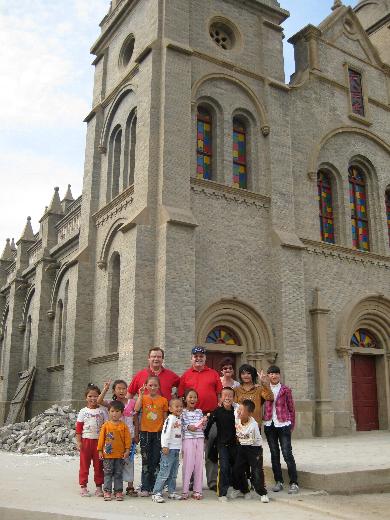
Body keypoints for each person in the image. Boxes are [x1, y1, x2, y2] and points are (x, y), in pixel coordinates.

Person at [178, 346, 223, 491]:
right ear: (191, 358)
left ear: (205, 358)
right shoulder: (185, 375)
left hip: (210, 416)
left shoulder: (213, 374)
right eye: (195, 356)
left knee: (211, 448)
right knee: (192, 450)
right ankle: (191, 481)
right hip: (190, 417)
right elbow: (180, 397)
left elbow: (220, 394)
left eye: (201, 356)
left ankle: (211, 481)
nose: (198, 358)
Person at [97, 379, 139, 496]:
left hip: (128, 437)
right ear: (114, 391)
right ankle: (111, 489)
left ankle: (130, 487)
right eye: (118, 389)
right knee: (114, 465)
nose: (121, 391)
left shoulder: (131, 402)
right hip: (114, 440)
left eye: (124, 388)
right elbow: (99, 401)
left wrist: (136, 434)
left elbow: (135, 419)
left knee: (129, 462)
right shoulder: (112, 404)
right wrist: (105, 389)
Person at [263, 365, 299, 494]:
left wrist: (292, 424)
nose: (274, 376)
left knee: (287, 453)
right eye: (271, 374)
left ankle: (294, 482)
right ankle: (279, 481)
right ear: (268, 376)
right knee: (274, 454)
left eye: (276, 373)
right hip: (269, 424)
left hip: (283, 424)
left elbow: (291, 408)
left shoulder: (285, 390)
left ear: (279, 375)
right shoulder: (264, 389)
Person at [135, 375, 169, 496]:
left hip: (159, 434)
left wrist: (166, 435)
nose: (153, 387)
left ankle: (155, 486)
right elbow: (136, 408)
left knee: (156, 460)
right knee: (146, 460)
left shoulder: (163, 400)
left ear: (159, 386)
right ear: (146, 386)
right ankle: (145, 487)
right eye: (150, 385)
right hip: (145, 433)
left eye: (155, 385)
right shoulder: (143, 398)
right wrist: (140, 395)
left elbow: (165, 419)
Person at [231, 400, 269, 503]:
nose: (239, 412)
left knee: (256, 472)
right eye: (239, 409)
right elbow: (234, 405)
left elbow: (250, 441)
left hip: (254, 449)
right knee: (236, 470)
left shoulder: (253, 426)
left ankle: (263, 493)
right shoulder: (237, 415)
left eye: (242, 410)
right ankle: (242, 489)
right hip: (242, 447)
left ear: (249, 413)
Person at [204, 387, 238, 502]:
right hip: (222, 444)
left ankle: (234, 487)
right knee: (223, 466)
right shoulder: (217, 411)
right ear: (220, 398)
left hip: (234, 443)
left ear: (234, 398)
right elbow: (209, 425)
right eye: (225, 395)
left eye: (230, 395)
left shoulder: (237, 412)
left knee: (235, 466)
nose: (227, 398)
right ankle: (222, 493)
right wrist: (205, 437)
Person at [75, 383, 108, 497]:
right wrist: (79, 442)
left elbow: (106, 427)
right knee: (84, 465)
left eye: (95, 396)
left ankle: (99, 487)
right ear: (86, 397)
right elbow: (79, 428)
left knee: (99, 466)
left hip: (99, 443)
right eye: (90, 396)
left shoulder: (103, 411)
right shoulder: (83, 411)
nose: (93, 398)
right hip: (86, 441)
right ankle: (83, 487)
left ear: (99, 396)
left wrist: (105, 442)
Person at [97, 400, 131, 501]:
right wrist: (99, 451)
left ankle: (118, 491)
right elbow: (101, 439)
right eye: (112, 411)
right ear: (108, 412)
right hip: (107, 455)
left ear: (121, 413)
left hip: (120, 455)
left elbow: (127, 439)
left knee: (118, 473)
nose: (114, 414)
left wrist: (127, 450)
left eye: (117, 411)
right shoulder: (106, 426)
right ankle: (107, 491)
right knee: (107, 473)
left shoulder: (123, 426)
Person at [151, 397, 184, 503]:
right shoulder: (170, 419)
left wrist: (181, 448)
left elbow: (180, 435)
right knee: (164, 472)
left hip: (176, 449)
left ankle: (171, 491)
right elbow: (165, 433)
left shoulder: (179, 419)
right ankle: (157, 493)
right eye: (176, 406)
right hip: (169, 450)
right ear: (170, 408)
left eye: (181, 406)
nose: (179, 408)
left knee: (173, 473)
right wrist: (165, 446)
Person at [181, 388, 207, 500]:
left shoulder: (200, 411)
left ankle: (197, 490)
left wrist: (204, 423)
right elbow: (180, 425)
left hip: (200, 439)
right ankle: (185, 490)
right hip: (187, 439)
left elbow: (202, 427)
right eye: (190, 397)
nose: (192, 399)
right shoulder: (182, 412)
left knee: (199, 464)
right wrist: (187, 427)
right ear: (185, 399)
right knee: (188, 464)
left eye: (195, 397)